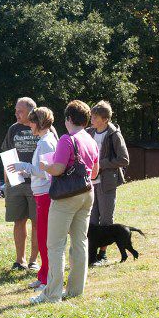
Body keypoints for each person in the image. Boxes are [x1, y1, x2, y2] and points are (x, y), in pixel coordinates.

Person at [31, 101, 99, 304]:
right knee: (80, 243)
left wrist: (45, 166)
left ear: (69, 118)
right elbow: (94, 172)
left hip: (66, 196)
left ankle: (52, 294)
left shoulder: (66, 139)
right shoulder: (91, 139)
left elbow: (58, 168)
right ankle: (75, 290)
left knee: (56, 245)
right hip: (87, 193)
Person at [7, 107, 57, 290]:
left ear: (38, 123)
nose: (29, 127)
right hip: (41, 193)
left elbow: (45, 172)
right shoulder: (46, 139)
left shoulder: (45, 142)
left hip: (44, 194)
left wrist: (24, 166)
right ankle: (43, 275)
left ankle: (47, 279)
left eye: (31, 123)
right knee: (43, 236)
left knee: (44, 238)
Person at [86, 101, 129, 265]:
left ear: (105, 119)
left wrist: (101, 164)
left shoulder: (114, 134)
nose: (91, 119)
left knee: (105, 219)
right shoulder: (89, 132)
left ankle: (102, 255)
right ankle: (91, 255)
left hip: (107, 183)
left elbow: (124, 159)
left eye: (95, 117)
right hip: (90, 182)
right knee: (92, 219)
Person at [1, 97, 41, 271]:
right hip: (16, 183)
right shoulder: (13, 129)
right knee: (19, 221)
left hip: (37, 183)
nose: (16, 114)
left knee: (37, 222)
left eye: (20, 111)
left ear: (31, 112)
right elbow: (7, 154)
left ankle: (33, 261)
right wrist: (7, 183)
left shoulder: (45, 128)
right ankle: (20, 260)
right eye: (16, 110)